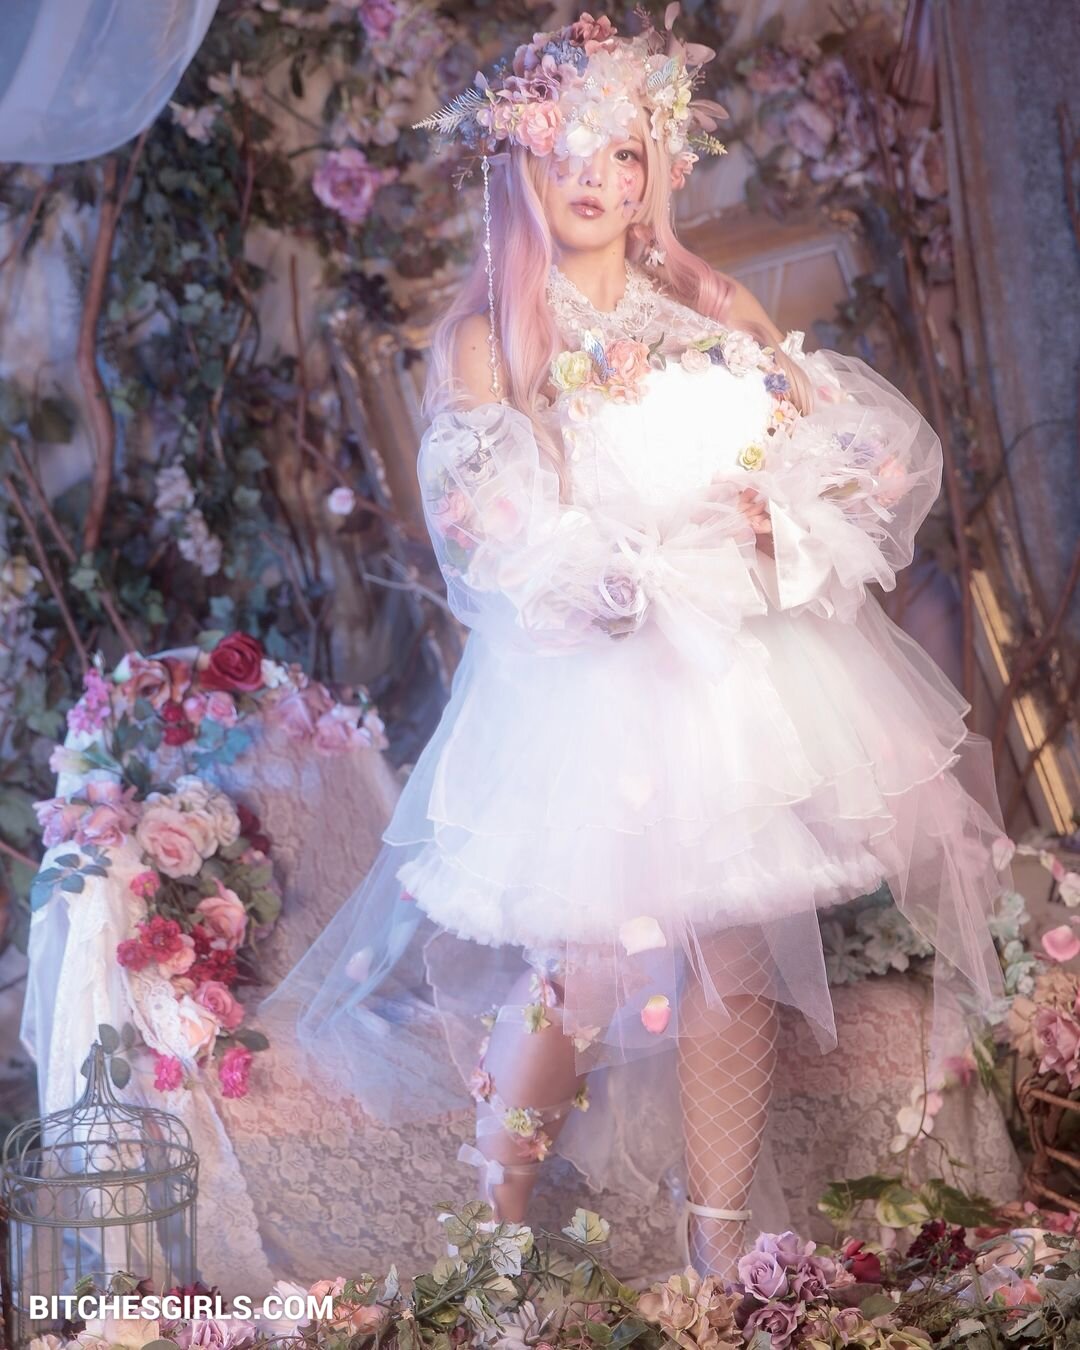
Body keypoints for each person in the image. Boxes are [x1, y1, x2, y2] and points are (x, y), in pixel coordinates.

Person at [259, 7, 1008, 1279]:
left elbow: (836, 460)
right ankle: (495, 1216)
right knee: (594, 958)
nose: (596, 178)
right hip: (590, 685)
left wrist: (776, 520)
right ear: (522, 160)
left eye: (623, 153)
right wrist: (605, 575)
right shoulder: (493, 338)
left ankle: (723, 1256)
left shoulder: (706, 310)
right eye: (570, 150)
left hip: (728, 685)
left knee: (732, 949)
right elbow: (485, 521)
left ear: (657, 165)